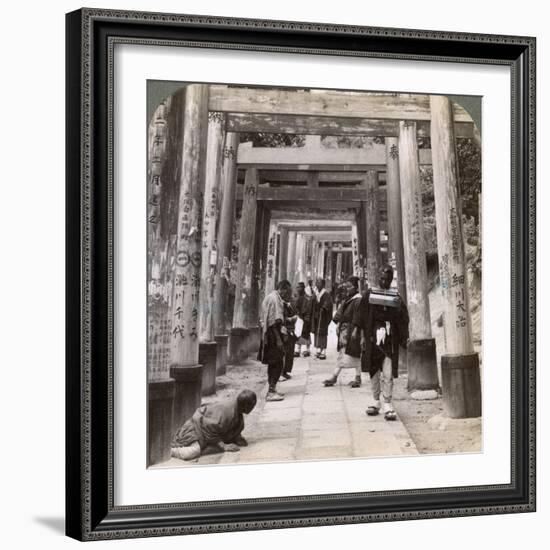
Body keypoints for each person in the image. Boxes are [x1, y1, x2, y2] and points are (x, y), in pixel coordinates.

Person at [356, 265, 409, 421]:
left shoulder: (396, 297)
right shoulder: (369, 294)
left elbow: (403, 318)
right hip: (372, 340)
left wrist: (403, 337)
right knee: (373, 371)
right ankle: (375, 400)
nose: (384, 280)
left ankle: (387, 402)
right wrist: (360, 336)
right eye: (382, 278)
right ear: (378, 278)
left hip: (389, 340)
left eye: (387, 278)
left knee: (387, 373)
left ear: (391, 280)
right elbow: (360, 316)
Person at [171, 390, 257, 461]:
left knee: (214, 449)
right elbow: (209, 428)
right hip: (197, 428)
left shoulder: (236, 409)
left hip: (207, 431)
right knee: (193, 452)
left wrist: (237, 437)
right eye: (252, 406)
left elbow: (231, 427)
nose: (252, 408)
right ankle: (170, 452)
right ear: (246, 406)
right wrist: (224, 446)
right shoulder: (227, 411)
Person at [323, 276, 363, 387]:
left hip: (352, 330)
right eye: (346, 287)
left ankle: (337, 376)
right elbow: (341, 313)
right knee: (345, 353)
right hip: (345, 331)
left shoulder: (358, 300)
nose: (347, 289)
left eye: (349, 287)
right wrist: (339, 323)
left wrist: (356, 330)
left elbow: (358, 317)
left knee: (352, 354)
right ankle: (347, 377)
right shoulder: (349, 299)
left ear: (355, 287)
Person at [258, 279, 293, 401]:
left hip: (270, 333)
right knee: (277, 362)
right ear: (282, 289)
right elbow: (274, 322)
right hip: (273, 335)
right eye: (287, 292)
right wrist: (279, 339)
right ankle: (271, 391)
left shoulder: (273, 297)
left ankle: (272, 388)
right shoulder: (275, 299)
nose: (288, 295)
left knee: (275, 362)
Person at [312, 278, 333, 360]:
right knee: (316, 332)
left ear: (323, 284)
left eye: (319, 282)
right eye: (316, 282)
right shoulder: (315, 293)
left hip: (323, 316)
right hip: (316, 316)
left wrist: (324, 307)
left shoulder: (326, 294)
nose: (317, 284)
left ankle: (323, 349)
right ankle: (318, 348)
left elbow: (328, 303)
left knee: (323, 333)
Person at [293, 281, 313, 357]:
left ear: (303, 288)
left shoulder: (307, 298)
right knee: (298, 333)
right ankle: (298, 349)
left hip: (305, 317)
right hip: (298, 317)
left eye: (299, 287)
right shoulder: (296, 297)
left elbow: (308, 309)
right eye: (297, 287)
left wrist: (306, 318)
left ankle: (306, 349)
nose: (298, 289)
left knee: (305, 333)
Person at [281, 297, 298, 380]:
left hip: (291, 329)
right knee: (285, 352)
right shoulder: (281, 304)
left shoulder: (289, 304)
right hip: (286, 330)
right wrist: (290, 319)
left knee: (290, 352)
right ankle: (282, 371)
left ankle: (285, 371)